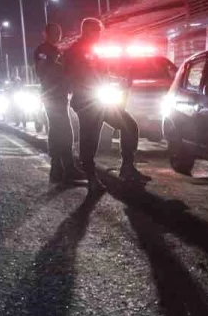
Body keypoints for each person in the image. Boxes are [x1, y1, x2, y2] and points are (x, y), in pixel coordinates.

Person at [63, 17, 147, 193]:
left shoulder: (93, 51)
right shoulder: (74, 51)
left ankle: (127, 166)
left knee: (129, 126)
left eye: (100, 32)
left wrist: (118, 80)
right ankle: (92, 177)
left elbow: (100, 74)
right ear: (86, 30)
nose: (99, 36)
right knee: (90, 139)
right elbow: (71, 75)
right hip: (86, 102)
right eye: (96, 32)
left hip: (101, 100)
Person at [33, 23, 86, 184]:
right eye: (55, 32)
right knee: (64, 131)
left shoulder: (55, 50)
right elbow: (43, 70)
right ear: (46, 33)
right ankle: (66, 168)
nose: (58, 35)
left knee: (57, 131)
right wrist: (64, 70)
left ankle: (58, 169)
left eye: (60, 31)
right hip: (52, 95)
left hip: (58, 94)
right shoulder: (44, 50)